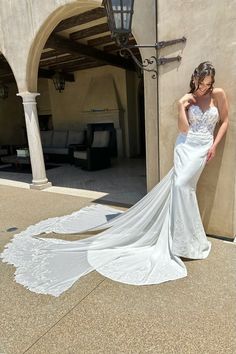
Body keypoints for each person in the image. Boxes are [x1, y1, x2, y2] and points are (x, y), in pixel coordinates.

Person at [0, 62, 229, 297]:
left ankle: (186, 240)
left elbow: (225, 122)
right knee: (180, 187)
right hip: (185, 147)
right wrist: (181, 106)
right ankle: (182, 241)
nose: (204, 88)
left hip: (203, 149)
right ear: (194, 80)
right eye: (201, 84)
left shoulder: (218, 94)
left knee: (182, 188)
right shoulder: (187, 98)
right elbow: (183, 130)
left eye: (208, 84)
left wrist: (214, 145)